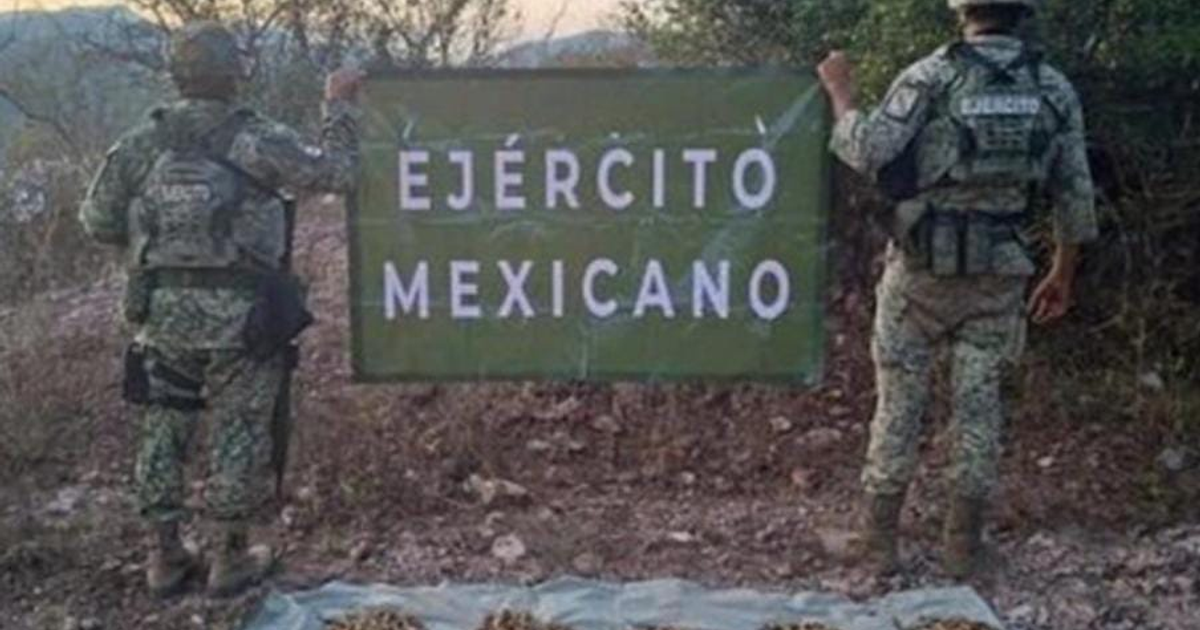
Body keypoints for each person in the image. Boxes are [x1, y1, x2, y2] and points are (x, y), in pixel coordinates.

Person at [79, 21, 362, 598]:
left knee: (164, 429)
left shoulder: (142, 143)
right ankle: (229, 560)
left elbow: (97, 221)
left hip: (161, 316)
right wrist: (338, 107)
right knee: (239, 430)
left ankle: (164, 559)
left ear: (177, 75)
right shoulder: (257, 138)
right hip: (243, 318)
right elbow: (340, 173)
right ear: (234, 74)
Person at [817, 0, 1098, 578]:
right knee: (980, 406)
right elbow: (1074, 192)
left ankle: (879, 542)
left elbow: (867, 150)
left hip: (921, 271)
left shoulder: (932, 75)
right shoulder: (1051, 86)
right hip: (1001, 273)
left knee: (899, 401)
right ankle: (963, 548)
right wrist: (1062, 272)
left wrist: (841, 93)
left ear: (960, 10)